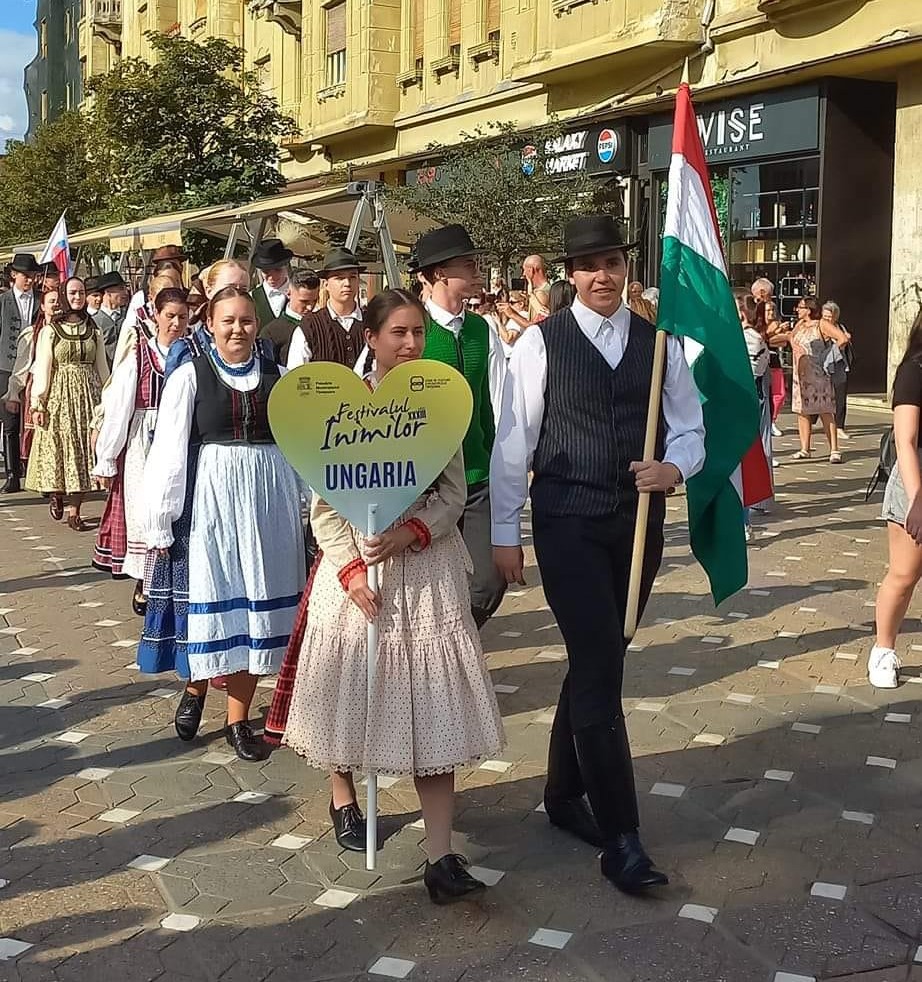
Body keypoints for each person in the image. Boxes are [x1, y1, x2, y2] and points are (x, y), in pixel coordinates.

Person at [491, 215, 705, 893]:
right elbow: (512, 441)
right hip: (567, 524)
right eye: (588, 266)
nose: (602, 275)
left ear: (624, 268)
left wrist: (675, 469)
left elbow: (691, 428)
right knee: (600, 667)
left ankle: (561, 794)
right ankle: (622, 837)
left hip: (636, 525)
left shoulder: (658, 343)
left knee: (596, 661)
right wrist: (505, 533)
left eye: (611, 262)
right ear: (570, 276)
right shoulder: (540, 344)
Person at [276, 289, 504, 903]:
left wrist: (407, 533)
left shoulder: (438, 402)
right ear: (371, 338)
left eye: (417, 332)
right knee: (350, 689)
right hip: (355, 571)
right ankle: (344, 795)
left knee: (432, 705)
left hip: (422, 567)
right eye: (397, 332)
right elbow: (323, 507)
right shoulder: (344, 410)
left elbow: (455, 493)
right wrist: (350, 569)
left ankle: (440, 854)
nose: (409, 343)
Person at [139, 286, 305, 761]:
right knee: (215, 601)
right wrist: (160, 520)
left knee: (258, 610)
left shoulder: (278, 375)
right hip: (213, 502)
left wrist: (307, 508)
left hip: (268, 505)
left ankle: (237, 719)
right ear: (209, 323)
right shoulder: (191, 374)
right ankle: (195, 690)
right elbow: (168, 451)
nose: (238, 329)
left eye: (247, 321)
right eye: (228, 320)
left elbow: (297, 445)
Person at [416, 224, 508, 628]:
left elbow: (497, 404)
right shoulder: (412, 329)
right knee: (426, 584)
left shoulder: (481, 330)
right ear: (439, 273)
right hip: (424, 484)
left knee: (489, 580)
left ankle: (454, 645)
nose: (475, 270)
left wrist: (500, 461)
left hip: (476, 476)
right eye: (467, 264)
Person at [92, 288, 190, 612]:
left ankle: (170, 578)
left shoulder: (194, 355)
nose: (175, 323)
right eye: (169, 316)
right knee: (143, 509)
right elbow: (119, 408)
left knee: (177, 508)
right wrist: (106, 459)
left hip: (182, 439)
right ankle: (145, 581)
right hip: (144, 442)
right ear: (156, 316)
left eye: (182, 316)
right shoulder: (139, 356)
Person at [25, 277, 109, 529]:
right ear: (64, 295)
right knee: (61, 446)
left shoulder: (94, 330)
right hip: (59, 396)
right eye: (72, 293)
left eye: (81, 293)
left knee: (84, 448)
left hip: (87, 395)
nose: (77, 297)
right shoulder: (50, 332)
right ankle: (57, 493)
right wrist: (38, 402)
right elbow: (44, 368)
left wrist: (109, 397)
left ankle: (76, 510)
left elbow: (103, 368)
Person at [871, 307, 922, 688]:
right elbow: (905, 441)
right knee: (904, 574)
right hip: (915, 482)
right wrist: (917, 498)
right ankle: (883, 649)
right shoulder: (914, 370)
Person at [782, 296, 849, 462]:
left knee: (825, 410)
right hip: (801, 374)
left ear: (809, 309)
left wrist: (829, 356)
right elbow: (791, 337)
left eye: (801, 307)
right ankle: (805, 448)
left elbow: (843, 338)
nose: (797, 310)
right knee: (802, 410)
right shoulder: (800, 325)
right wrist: (795, 347)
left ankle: (834, 449)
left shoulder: (821, 324)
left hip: (818, 373)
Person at [0, 254, 42, 493]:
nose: (30, 280)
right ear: (14, 275)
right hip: (6, 367)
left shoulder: (41, 299)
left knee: (37, 418)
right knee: (10, 423)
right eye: (26, 275)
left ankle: (38, 472)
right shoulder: (3, 301)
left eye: (33, 276)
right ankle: (13, 474)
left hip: (36, 365)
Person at [286, 248, 365, 369]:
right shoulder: (310, 326)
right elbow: (295, 377)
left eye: (352, 277)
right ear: (326, 284)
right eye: (339, 278)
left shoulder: (373, 322)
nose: (347, 283)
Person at [737, 293, 772, 539]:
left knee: (741, 462)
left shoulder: (750, 338)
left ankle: (743, 520)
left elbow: (749, 374)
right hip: (742, 403)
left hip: (744, 404)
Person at [259, 269, 321, 366]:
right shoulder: (271, 332)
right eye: (304, 302)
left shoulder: (321, 326)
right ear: (288, 293)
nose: (310, 307)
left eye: (314, 301)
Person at [822, 300, 853, 439]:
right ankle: (811, 422)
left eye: (830, 316)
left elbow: (845, 343)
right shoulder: (820, 327)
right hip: (824, 365)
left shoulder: (840, 327)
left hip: (840, 365)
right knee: (820, 396)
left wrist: (845, 338)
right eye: (825, 316)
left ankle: (839, 426)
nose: (827, 319)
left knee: (840, 397)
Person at [251, 238, 293, 328]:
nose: (272, 277)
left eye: (277, 270)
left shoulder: (298, 294)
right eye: (266, 271)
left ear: (286, 266)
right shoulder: (251, 298)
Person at [92, 271, 129, 363]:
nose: (125, 293)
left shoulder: (128, 317)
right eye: (121, 289)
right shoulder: (94, 321)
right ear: (108, 292)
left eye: (125, 288)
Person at [764, 298, 786, 439]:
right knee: (766, 394)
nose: (771, 313)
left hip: (775, 361)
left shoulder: (776, 324)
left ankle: (772, 420)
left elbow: (784, 342)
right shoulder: (759, 325)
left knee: (780, 394)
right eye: (768, 310)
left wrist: (775, 335)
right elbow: (765, 340)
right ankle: (767, 422)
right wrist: (774, 334)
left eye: (772, 310)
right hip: (763, 363)